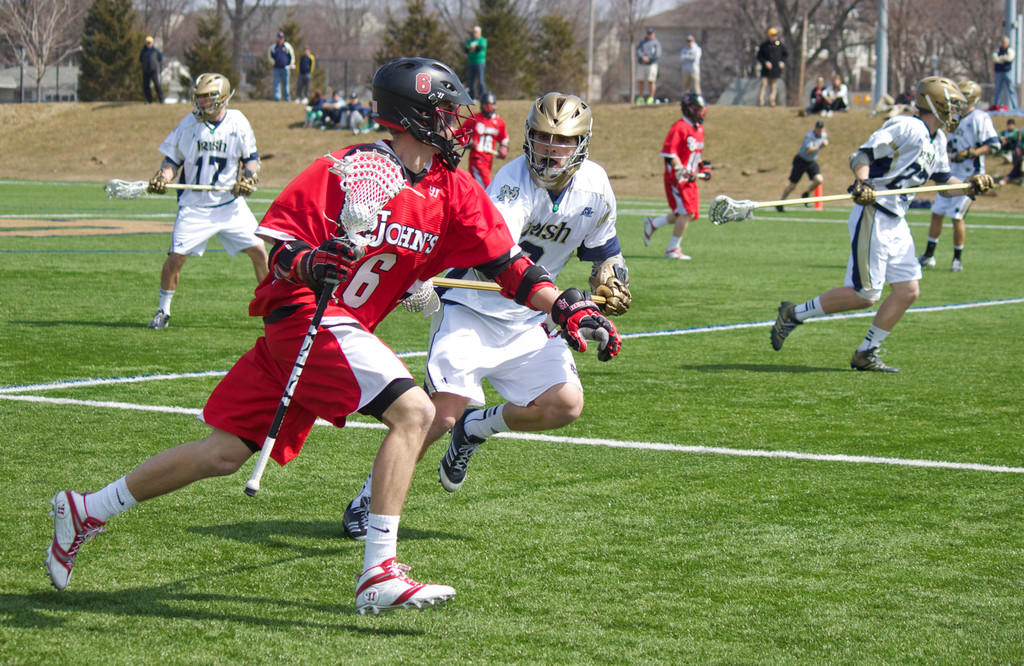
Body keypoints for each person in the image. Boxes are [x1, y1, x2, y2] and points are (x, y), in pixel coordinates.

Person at [45, 58, 621, 616]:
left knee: (221, 454)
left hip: (337, 329)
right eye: (445, 114)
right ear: (415, 115)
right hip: (305, 316)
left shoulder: (454, 189)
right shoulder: (350, 170)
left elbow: (511, 267)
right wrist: (310, 262)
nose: (456, 126)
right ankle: (378, 572)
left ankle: (86, 509)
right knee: (416, 413)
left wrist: (565, 308)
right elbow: (280, 248)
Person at [341, 92, 631, 540]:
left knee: (565, 405)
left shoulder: (596, 186)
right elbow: (502, 261)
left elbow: (605, 252)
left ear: (582, 144)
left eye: (562, 140)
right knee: (438, 417)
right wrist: (563, 303)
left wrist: (612, 280)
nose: (550, 148)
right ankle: (367, 500)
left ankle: (478, 427)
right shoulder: (512, 182)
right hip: (474, 308)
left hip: (529, 317)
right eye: (542, 137)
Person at [768, 76, 993, 372]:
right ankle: (794, 313)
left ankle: (866, 352)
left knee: (908, 290)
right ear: (934, 103)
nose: (955, 113)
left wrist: (968, 185)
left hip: (897, 219)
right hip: (874, 212)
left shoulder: (938, 139)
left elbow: (942, 183)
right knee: (865, 295)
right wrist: (862, 182)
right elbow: (862, 154)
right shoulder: (907, 126)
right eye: (951, 106)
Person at [143, 73, 269, 330]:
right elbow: (172, 162)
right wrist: (163, 177)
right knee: (175, 259)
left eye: (206, 98)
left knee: (259, 252)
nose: (201, 102)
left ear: (221, 98)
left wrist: (248, 177)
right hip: (195, 207)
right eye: (199, 97)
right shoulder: (188, 125)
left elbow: (251, 159)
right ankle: (163, 311)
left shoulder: (238, 122)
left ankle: (272, 309)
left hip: (230, 205)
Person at [918, 80, 999, 272]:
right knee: (937, 212)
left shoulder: (979, 117)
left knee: (956, 216)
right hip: (951, 173)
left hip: (971, 175)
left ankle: (957, 259)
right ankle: (929, 255)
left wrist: (971, 153)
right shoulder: (952, 117)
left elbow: (994, 145)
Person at [643, 93, 710, 260]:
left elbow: (693, 154)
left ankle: (654, 223)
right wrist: (680, 169)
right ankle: (673, 249)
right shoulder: (680, 127)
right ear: (688, 109)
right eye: (696, 108)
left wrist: (703, 166)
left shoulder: (698, 129)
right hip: (678, 178)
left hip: (690, 178)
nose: (700, 112)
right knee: (687, 213)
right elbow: (670, 154)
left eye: (701, 109)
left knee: (690, 214)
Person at [776, 119, 828, 212]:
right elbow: (808, 150)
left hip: (811, 161)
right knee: (792, 185)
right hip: (801, 160)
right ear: (815, 128)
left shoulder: (824, 135)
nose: (819, 130)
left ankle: (806, 194)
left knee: (819, 180)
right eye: (818, 128)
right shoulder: (809, 135)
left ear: (823, 129)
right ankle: (781, 202)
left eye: (821, 128)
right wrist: (821, 146)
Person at [460, 91, 509, 187]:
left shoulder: (499, 122)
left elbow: (503, 138)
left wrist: (503, 149)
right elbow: (460, 133)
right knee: (487, 187)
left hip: (488, 160)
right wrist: (468, 142)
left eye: (491, 105)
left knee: (475, 187)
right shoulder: (474, 119)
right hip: (477, 158)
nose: (488, 108)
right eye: (486, 105)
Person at [757, 28, 787, 107]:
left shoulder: (779, 45)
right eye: (773, 35)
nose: (775, 37)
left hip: (775, 70)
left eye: (775, 35)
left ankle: (772, 102)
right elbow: (759, 56)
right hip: (766, 70)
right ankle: (761, 101)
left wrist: (782, 62)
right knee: (763, 85)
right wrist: (765, 62)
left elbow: (785, 54)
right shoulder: (764, 45)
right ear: (769, 35)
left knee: (773, 87)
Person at [635, 27, 662, 104]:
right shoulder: (642, 42)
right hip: (642, 64)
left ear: (654, 34)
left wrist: (649, 59)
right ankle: (640, 97)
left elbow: (657, 54)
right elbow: (638, 51)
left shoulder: (656, 43)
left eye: (651, 33)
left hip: (651, 64)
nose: (649, 35)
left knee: (651, 81)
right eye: (648, 33)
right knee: (641, 80)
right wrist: (642, 57)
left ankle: (651, 97)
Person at [268, 31, 295, 101]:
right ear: (277, 38)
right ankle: (277, 97)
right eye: (279, 38)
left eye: (281, 38)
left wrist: (290, 64)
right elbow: (270, 56)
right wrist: (274, 63)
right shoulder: (274, 47)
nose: (280, 39)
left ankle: (287, 98)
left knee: (286, 84)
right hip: (276, 68)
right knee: (276, 83)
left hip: (286, 68)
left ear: (283, 39)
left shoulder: (287, 46)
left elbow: (291, 55)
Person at [992, 35, 1017, 110]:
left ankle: (1015, 107)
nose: (1003, 43)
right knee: (998, 90)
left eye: (1005, 42)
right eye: (1002, 42)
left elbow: (1009, 58)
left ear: (1008, 43)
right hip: (998, 73)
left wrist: (1000, 59)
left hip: (1007, 72)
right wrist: (1004, 58)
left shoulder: (1010, 50)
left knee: (1011, 89)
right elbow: (995, 59)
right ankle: (996, 106)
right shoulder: (997, 51)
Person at [464, 26, 488, 101]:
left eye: (476, 32)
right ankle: (472, 97)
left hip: (480, 62)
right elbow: (466, 49)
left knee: (481, 81)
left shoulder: (483, 40)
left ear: (479, 32)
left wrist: (472, 48)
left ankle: (482, 97)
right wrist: (471, 48)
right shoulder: (470, 41)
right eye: (474, 32)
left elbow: (479, 48)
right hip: (471, 62)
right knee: (471, 81)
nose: (475, 33)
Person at [139, 36, 164, 104]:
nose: (148, 44)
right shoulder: (143, 51)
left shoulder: (155, 51)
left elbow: (160, 58)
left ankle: (161, 99)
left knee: (157, 85)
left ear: (152, 43)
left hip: (153, 70)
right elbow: (140, 59)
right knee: (146, 86)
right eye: (147, 43)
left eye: (149, 43)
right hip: (145, 71)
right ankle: (149, 100)